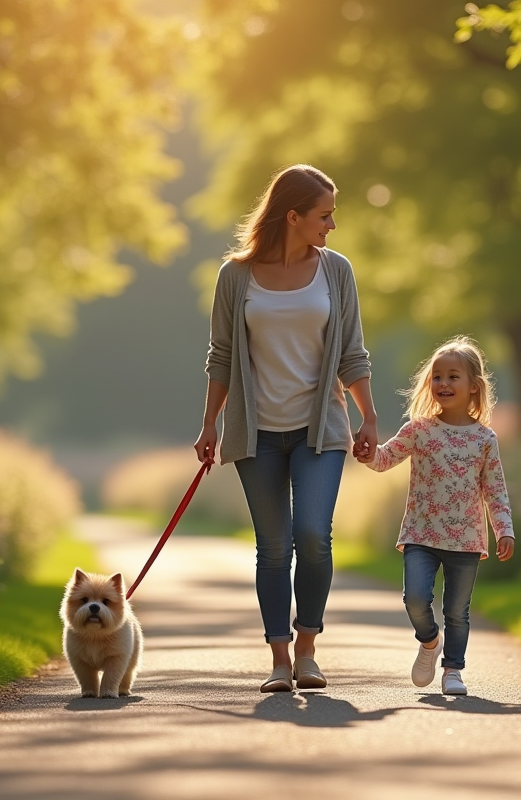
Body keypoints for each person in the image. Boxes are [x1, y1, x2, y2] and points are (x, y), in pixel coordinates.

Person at [194, 164, 378, 693]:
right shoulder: (236, 276)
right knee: (273, 547)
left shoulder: (336, 271)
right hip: (257, 433)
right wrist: (210, 423)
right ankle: (278, 658)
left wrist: (368, 416)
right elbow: (221, 355)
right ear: (292, 216)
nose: (332, 226)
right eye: (324, 216)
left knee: (313, 537)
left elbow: (352, 351)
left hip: (319, 427)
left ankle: (307, 648)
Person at [356, 335, 514, 696]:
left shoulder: (485, 439)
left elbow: (495, 489)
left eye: (453, 376)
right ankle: (430, 642)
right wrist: (367, 454)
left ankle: (453, 671)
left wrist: (504, 529)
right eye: (437, 376)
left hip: (466, 539)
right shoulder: (420, 430)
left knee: (458, 611)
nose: (443, 383)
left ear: (474, 387)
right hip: (421, 535)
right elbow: (385, 459)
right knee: (415, 598)